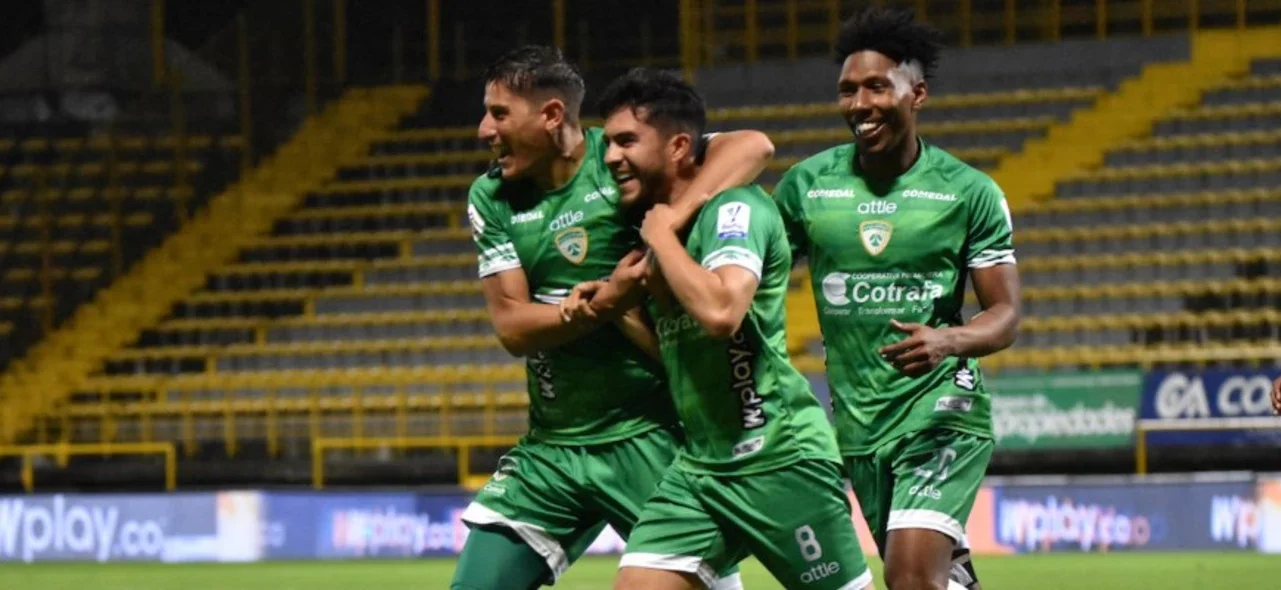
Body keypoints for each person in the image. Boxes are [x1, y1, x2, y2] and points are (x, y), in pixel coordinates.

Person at [450, 46, 772, 590]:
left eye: (500, 114)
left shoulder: (621, 156)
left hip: (651, 436)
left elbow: (752, 146)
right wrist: (605, 304)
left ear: (552, 115)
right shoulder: (493, 195)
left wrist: (667, 225)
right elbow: (512, 327)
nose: (485, 129)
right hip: (553, 447)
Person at [565, 67, 873, 590]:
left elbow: (721, 313)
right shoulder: (661, 239)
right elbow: (678, 353)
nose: (611, 156)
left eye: (626, 141)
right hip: (700, 471)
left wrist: (659, 235)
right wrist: (616, 306)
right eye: (609, 143)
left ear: (680, 146)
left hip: (778, 457)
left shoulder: (736, 209)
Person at [769, 7, 1023, 590]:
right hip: (858, 424)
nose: (859, 104)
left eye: (877, 87)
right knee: (938, 577)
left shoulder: (968, 192)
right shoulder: (807, 186)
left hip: (942, 413)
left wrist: (948, 341)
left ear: (918, 94)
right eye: (847, 91)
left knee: (908, 578)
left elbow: (1006, 314)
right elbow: (751, 280)